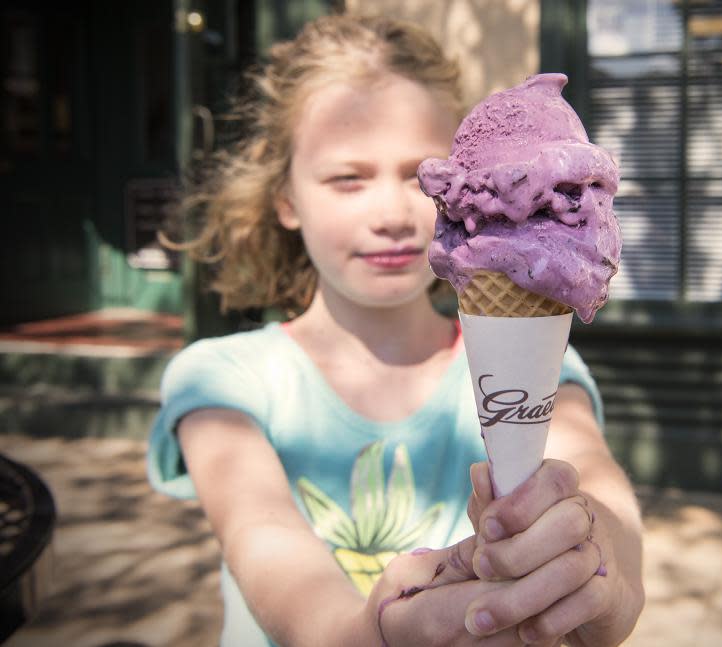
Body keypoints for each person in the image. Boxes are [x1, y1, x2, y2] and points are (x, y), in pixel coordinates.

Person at [147, 13, 644, 647]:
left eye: (419, 177)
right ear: (286, 200)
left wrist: (608, 577)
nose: (390, 214)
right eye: (347, 178)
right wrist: (367, 632)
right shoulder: (225, 379)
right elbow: (263, 538)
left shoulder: (546, 372)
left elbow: (596, 481)